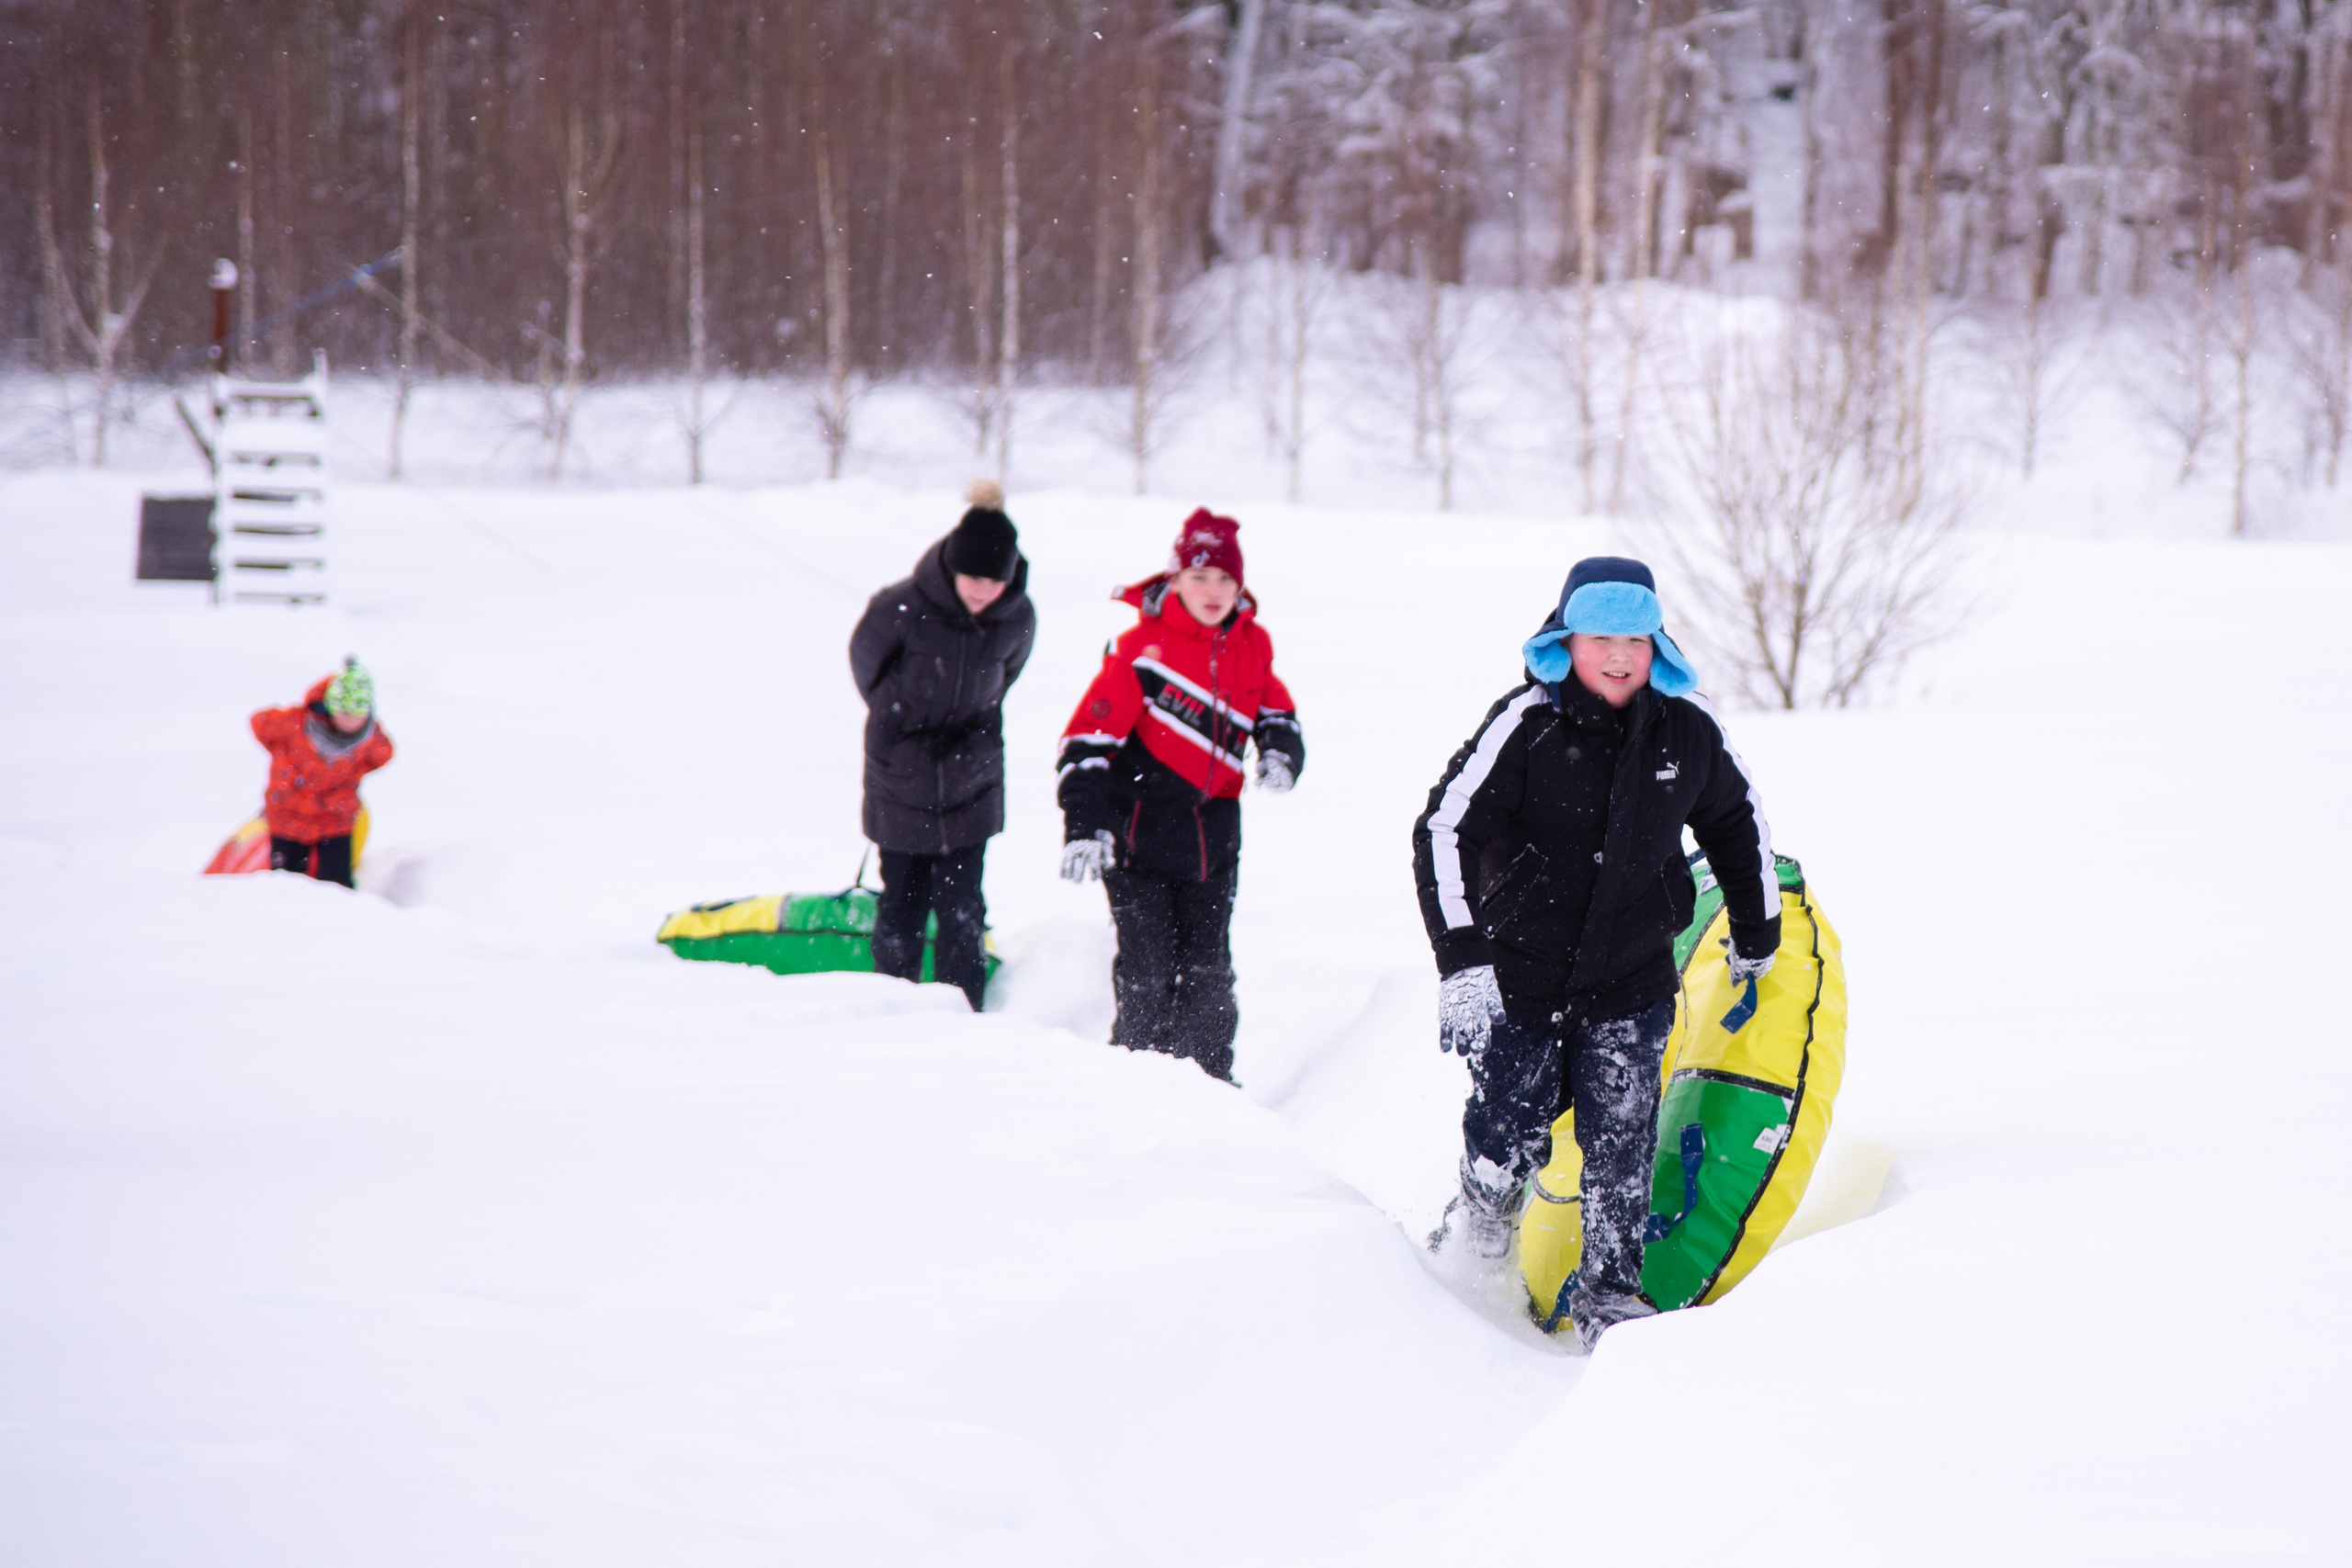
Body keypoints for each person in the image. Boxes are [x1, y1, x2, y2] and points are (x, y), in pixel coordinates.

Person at [1410, 556, 1779, 1350]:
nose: (1619, 655)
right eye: (1601, 636)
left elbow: (1737, 826)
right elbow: (1444, 829)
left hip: (1631, 979)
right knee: (1508, 1127)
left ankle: (1609, 1297)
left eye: (1636, 638)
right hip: (1521, 976)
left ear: (1658, 645)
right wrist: (1463, 959)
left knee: (1622, 1140)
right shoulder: (1526, 723)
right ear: (1567, 640)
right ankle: (1480, 1239)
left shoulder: (1687, 728)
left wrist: (1757, 930)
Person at [1055, 509, 1305, 1083]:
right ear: (1174, 581)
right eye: (1199, 578)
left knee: (1209, 972)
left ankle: (1211, 1086)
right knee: (1148, 971)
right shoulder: (1141, 650)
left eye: (1224, 580)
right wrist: (1083, 825)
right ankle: (1138, 1085)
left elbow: (1276, 711)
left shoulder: (1251, 643)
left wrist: (1280, 752)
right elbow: (1085, 746)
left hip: (1214, 843)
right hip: (1138, 840)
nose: (1213, 591)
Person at [848, 480, 1035, 1010]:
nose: (982, 590)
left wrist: (967, 739)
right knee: (902, 907)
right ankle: (895, 1008)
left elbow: (1008, 676)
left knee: (961, 909)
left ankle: (964, 1012)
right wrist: (903, 719)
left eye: (994, 581)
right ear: (952, 566)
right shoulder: (899, 606)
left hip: (971, 780)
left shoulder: (1018, 616)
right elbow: (868, 670)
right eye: (973, 577)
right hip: (899, 777)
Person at [250, 657, 395, 888]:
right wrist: (319, 693)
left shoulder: (369, 741)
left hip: (335, 824)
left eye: (358, 712)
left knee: (338, 887)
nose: (350, 720)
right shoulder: (296, 724)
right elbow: (259, 722)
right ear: (330, 706)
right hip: (287, 821)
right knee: (285, 885)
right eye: (344, 711)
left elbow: (384, 754)